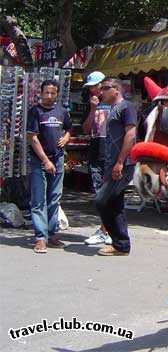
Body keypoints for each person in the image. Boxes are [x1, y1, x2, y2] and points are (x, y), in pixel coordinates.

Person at [27, 79, 72, 254]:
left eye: (53, 93)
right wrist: (45, 160)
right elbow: (33, 138)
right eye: (46, 92)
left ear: (57, 94)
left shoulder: (62, 111)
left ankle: (53, 234)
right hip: (40, 161)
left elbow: (68, 129)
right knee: (39, 199)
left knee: (54, 198)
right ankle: (40, 237)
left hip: (58, 159)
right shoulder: (35, 111)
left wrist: (67, 137)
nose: (49, 96)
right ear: (41, 93)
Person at [94, 78, 137, 256]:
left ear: (116, 89)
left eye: (104, 88)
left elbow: (131, 134)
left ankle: (119, 242)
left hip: (123, 164)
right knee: (115, 203)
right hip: (112, 163)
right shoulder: (113, 109)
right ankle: (121, 245)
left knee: (101, 201)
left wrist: (120, 162)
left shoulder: (126, 107)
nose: (101, 92)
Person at [81, 71, 113, 246]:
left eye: (96, 86)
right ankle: (105, 229)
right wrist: (93, 109)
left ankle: (107, 230)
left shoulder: (116, 104)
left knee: (110, 194)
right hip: (96, 152)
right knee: (100, 193)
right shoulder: (92, 104)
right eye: (91, 87)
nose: (94, 90)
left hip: (111, 153)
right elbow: (86, 129)